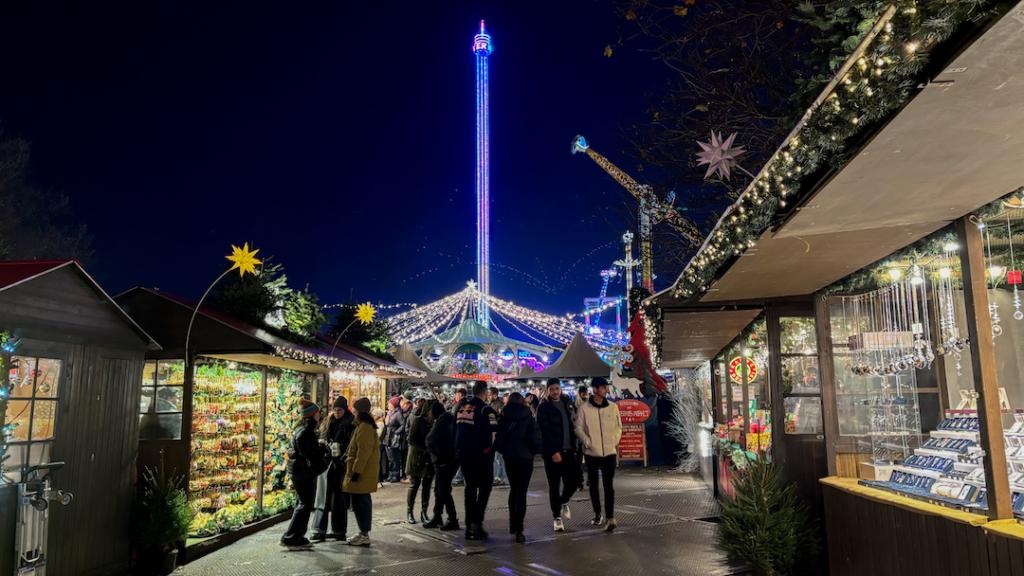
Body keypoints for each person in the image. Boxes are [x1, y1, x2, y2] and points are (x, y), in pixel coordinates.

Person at [575, 377, 622, 531]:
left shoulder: (613, 407)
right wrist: (587, 442)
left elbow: (618, 426)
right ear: (594, 389)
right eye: (602, 387)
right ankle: (597, 513)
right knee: (594, 485)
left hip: (609, 452)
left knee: (609, 486)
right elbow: (578, 428)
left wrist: (614, 441)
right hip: (591, 453)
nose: (605, 390)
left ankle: (610, 517)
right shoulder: (584, 408)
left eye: (606, 387)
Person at [280, 400, 328, 548]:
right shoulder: (305, 431)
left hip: (300, 472)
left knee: (303, 504)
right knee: (304, 505)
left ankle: (297, 536)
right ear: (313, 414)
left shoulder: (303, 429)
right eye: (318, 413)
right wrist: (322, 450)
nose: (319, 415)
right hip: (302, 473)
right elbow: (309, 453)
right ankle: (290, 537)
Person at [455, 380, 499, 540]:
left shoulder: (462, 408)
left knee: (470, 488)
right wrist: (489, 450)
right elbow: (493, 435)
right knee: (485, 487)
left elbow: (455, 430)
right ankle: (477, 523)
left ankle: (469, 526)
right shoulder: (486, 410)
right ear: (485, 392)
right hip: (482, 456)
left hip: (463, 454)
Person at [495, 392, 541, 543]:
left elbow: (499, 436)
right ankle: (519, 529)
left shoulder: (504, 414)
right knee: (521, 492)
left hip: (510, 456)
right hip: (525, 457)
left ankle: (512, 524)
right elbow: (534, 436)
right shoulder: (527, 414)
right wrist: (533, 451)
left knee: (514, 489)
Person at [537, 378, 580, 533]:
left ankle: (563, 500)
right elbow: (544, 431)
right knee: (554, 485)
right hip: (552, 453)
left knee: (575, 481)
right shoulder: (543, 408)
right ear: (547, 390)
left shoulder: (568, 403)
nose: (555, 392)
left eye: (557, 388)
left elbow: (574, 423)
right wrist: (553, 451)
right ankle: (556, 517)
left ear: (560, 389)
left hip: (570, 450)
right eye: (552, 389)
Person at [311, 396, 355, 542]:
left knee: (339, 500)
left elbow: (352, 445)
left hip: (341, 465)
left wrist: (341, 450)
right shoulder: (328, 421)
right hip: (327, 463)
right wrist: (324, 444)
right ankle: (319, 530)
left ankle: (339, 531)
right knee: (322, 497)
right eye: (335, 409)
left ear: (345, 409)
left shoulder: (351, 423)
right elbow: (322, 436)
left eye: (339, 410)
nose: (336, 412)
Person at [343, 397, 381, 547]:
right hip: (363, 471)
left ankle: (364, 534)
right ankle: (363, 533)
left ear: (359, 412)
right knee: (361, 502)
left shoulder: (365, 427)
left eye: (355, 410)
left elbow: (363, 452)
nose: (353, 412)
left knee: (361, 503)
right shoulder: (364, 426)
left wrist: (356, 471)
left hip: (362, 473)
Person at [424, 399, 460, 530]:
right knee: (439, 489)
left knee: (443, 490)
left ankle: (452, 519)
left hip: (444, 461)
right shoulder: (449, 419)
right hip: (449, 460)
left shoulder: (442, 422)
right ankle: (437, 516)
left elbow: (430, 440)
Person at [405, 397, 435, 524]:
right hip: (417, 457)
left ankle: (424, 512)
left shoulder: (434, 423)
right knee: (414, 485)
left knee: (427, 486)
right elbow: (411, 439)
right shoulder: (418, 420)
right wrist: (425, 447)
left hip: (429, 458)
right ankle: (410, 512)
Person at [386, 397, 412, 482]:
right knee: (390, 458)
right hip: (388, 437)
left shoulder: (398, 414)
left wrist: (396, 432)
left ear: (393, 404)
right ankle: (391, 474)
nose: (388, 405)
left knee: (395, 458)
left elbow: (403, 424)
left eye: (390, 404)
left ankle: (395, 475)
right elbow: (387, 424)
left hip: (394, 438)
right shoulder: (390, 413)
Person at [487, 387, 508, 486]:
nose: (488, 396)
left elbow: (500, 419)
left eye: (490, 394)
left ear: (495, 395)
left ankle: (501, 478)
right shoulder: (491, 404)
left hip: (498, 434)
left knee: (499, 458)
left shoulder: (499, 405)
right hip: (493, 434)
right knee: (496, 458)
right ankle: (498, 477)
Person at [451, 387, 468, 486]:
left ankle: (459, 478)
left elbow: (453, 421)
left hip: (458, 434)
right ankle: (462, 477)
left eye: (456, 395)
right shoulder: (468, 405)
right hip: (466, 435)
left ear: (461, 395)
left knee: (459, 457)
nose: (455, 396)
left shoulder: (458, 405)